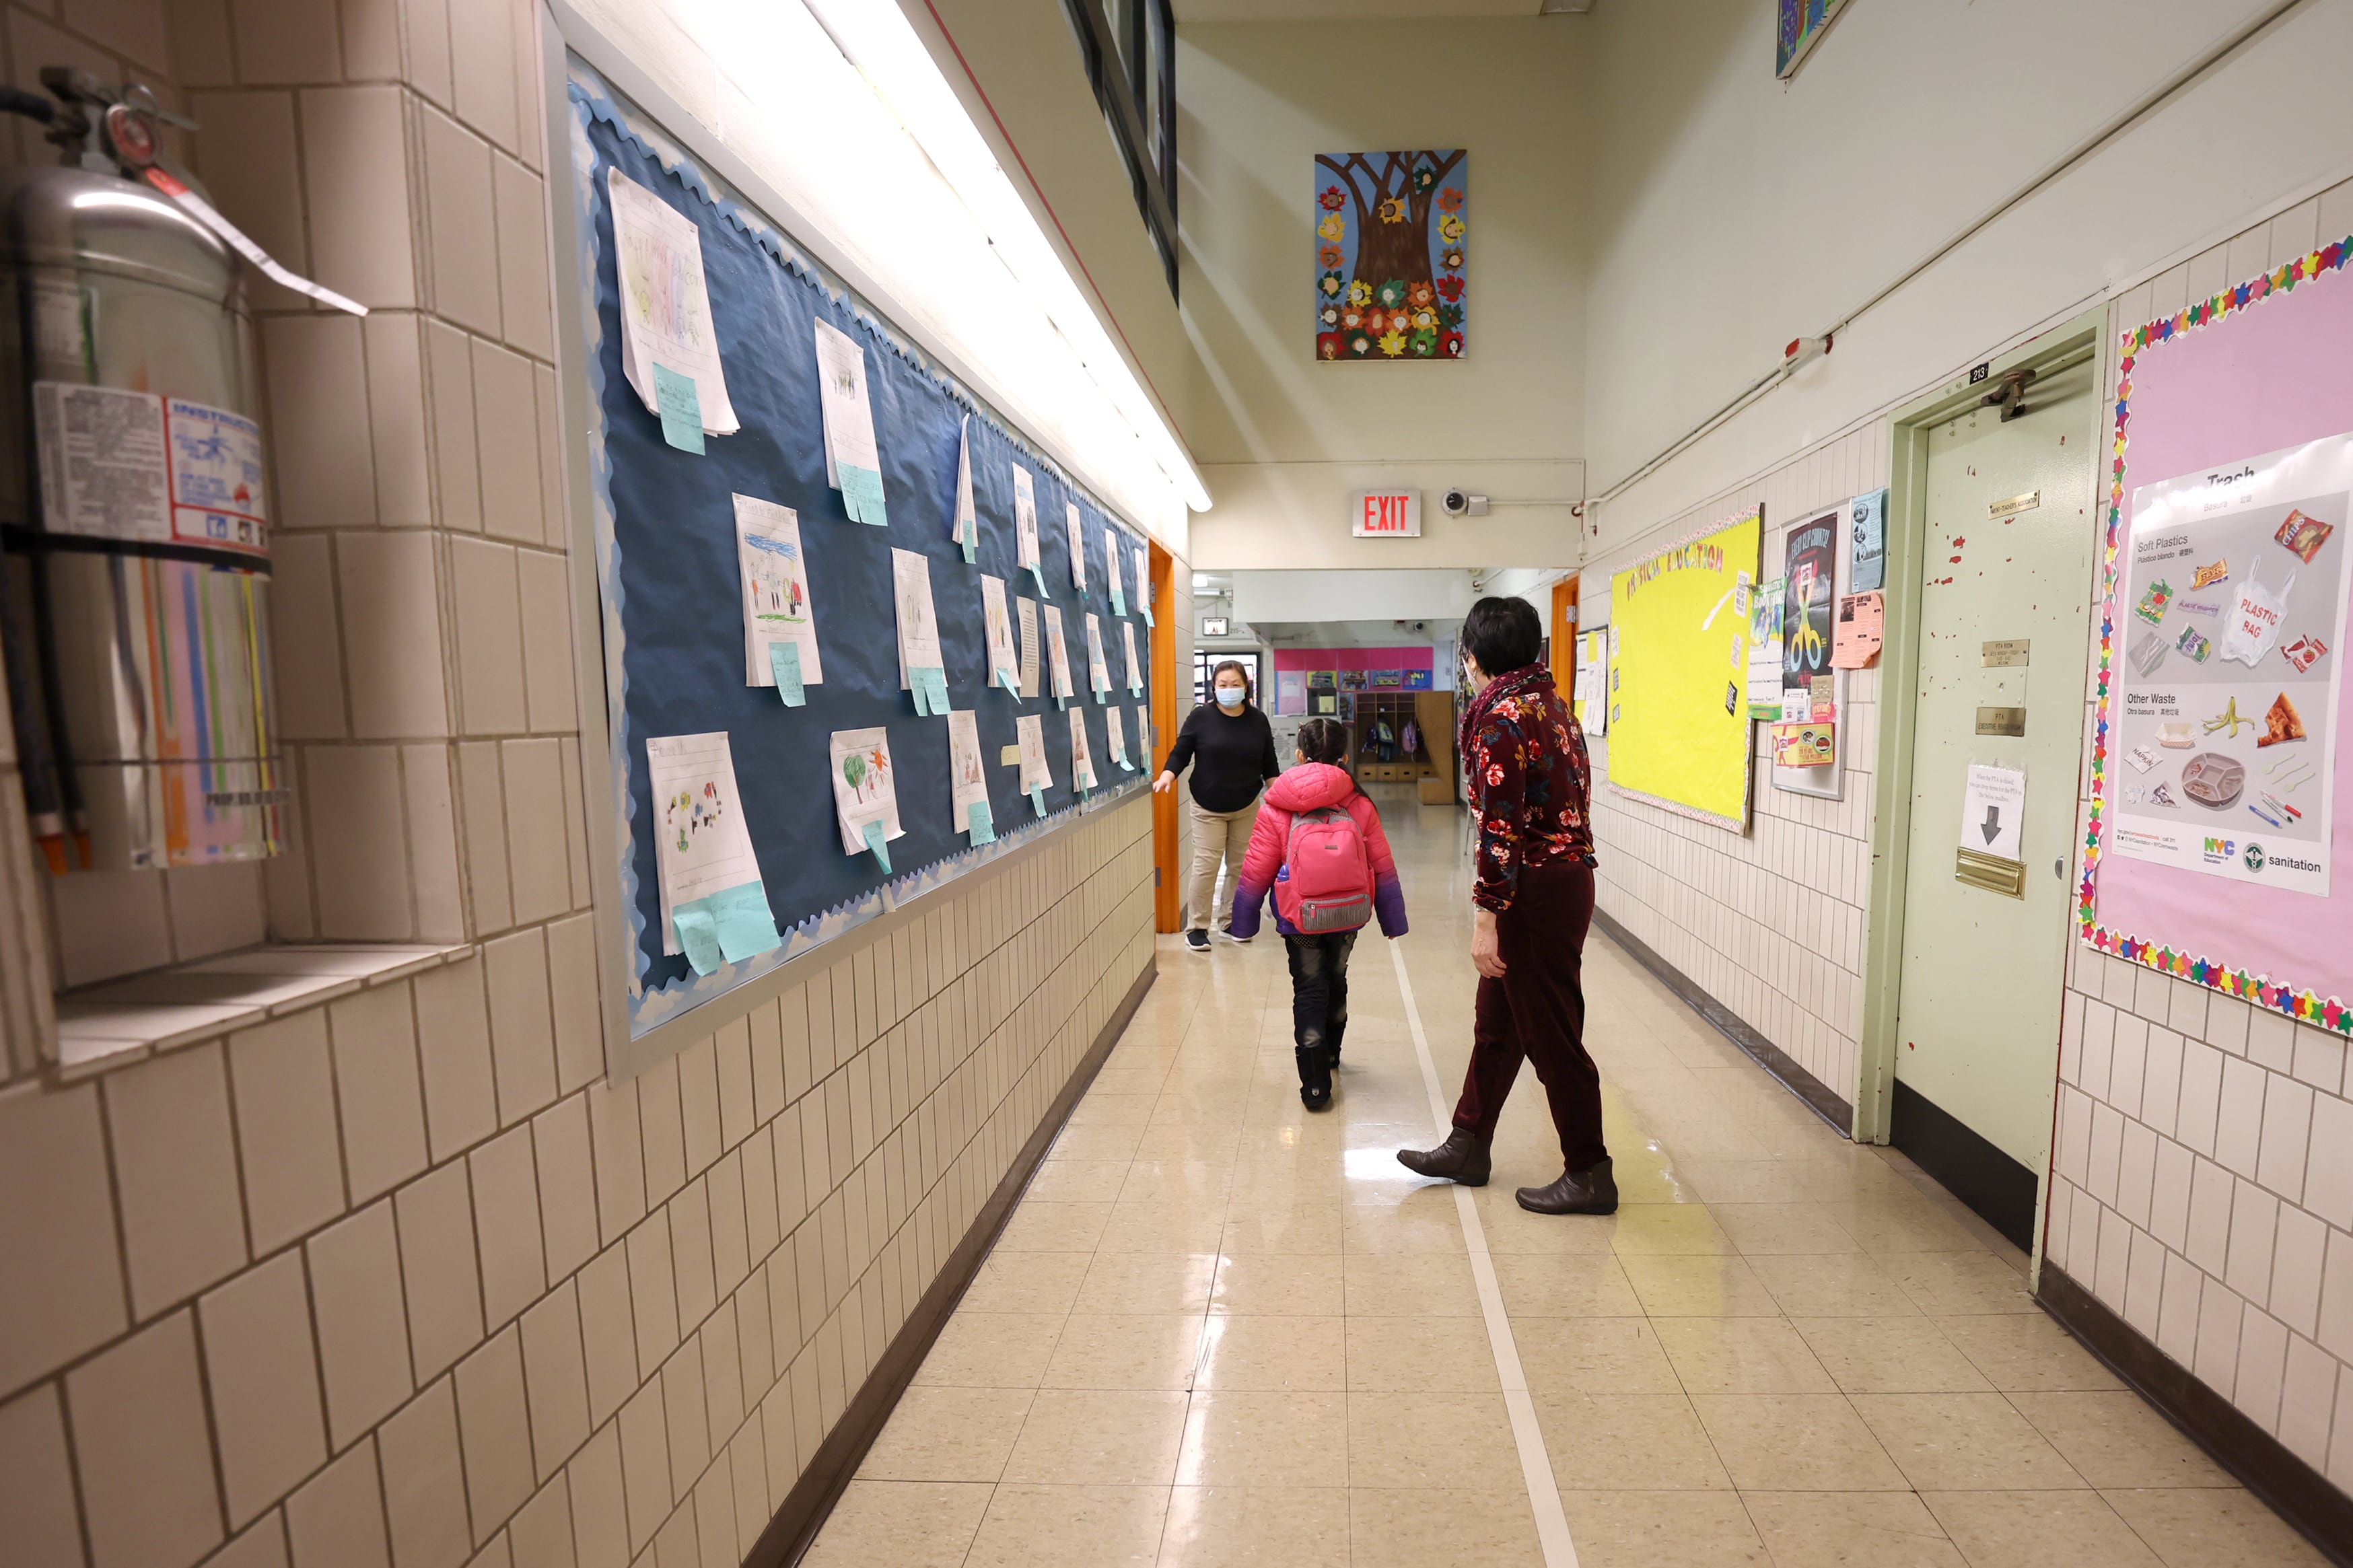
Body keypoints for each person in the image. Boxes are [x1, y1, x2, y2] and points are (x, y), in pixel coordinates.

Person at [1397, 596, 1613, 1215]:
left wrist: (1487, 919)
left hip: (1533, 893)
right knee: (1498, 1024)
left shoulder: (1500, 720)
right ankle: (1469, 1142)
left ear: (1473, 656)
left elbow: (1500, 830)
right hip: (1563, 880)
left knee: (1552, 1037)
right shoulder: (1551, 705)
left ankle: (1590, 1170)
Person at [1228, 718, 1408, 1108]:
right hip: (1348, 913)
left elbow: (1255, 868)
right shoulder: (1359, 803)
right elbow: (1382, 864)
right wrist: (1393, 919)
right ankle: (1331, 1053)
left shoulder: (1276, 805)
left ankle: (1315, 1084)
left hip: (1299, 918)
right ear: (1344, 757)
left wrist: (1242, 922)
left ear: (1298, 755)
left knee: (1309, 987)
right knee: (1337, 977)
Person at [1154, 661, 1281, 953]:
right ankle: (1197, 927)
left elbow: (1269, 761)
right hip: (1207, 804)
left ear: (1246, 686)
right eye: (1222, 685)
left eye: (1235, 684)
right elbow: (1181, 752)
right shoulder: (1202, 717)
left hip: (1247, 803)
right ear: (1214, 688)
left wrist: (1280, 792)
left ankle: (1230, 921)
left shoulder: (1257, 719)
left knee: (1240, 865)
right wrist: (1167, 775)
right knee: (1207, 864)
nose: (1229, 690)